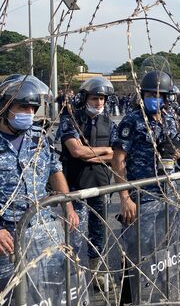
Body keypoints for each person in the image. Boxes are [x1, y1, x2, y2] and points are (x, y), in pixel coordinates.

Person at [0, 75, 79, 294]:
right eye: (23, 107)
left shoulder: (38, 137)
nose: (29, 113)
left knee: (44, 289)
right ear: (5, 106)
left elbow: (55, 171)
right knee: (10, 293)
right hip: (6, 235)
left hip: (41, 227)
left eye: (33, 108)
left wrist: (68, 205)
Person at [112, 71, 180, 304]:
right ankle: (129, 299)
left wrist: (175, 150)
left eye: (159, 95)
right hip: (141, 195)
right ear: (142, 95)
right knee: (135, 252)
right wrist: (124, 197)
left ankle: (163, 295)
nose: (154, 98)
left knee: (166, 250)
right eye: (150, 94)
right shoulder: (132, 120)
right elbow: (118, 159)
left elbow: (176, 148)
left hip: (167, 192)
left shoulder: (170, 118)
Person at [57, 76, 118, 288]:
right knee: (75, 235)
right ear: (85, 98)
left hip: (100, 186)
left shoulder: (109, 123)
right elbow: (75, 151)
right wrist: (104, 151)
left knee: (98, 232)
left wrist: (90, 155)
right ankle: (75, 276)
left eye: (102, 99)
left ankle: (97, 272)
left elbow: (116, 155)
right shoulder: (71, 120)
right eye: (94, 98)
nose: (99, 103)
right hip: (75, 187)